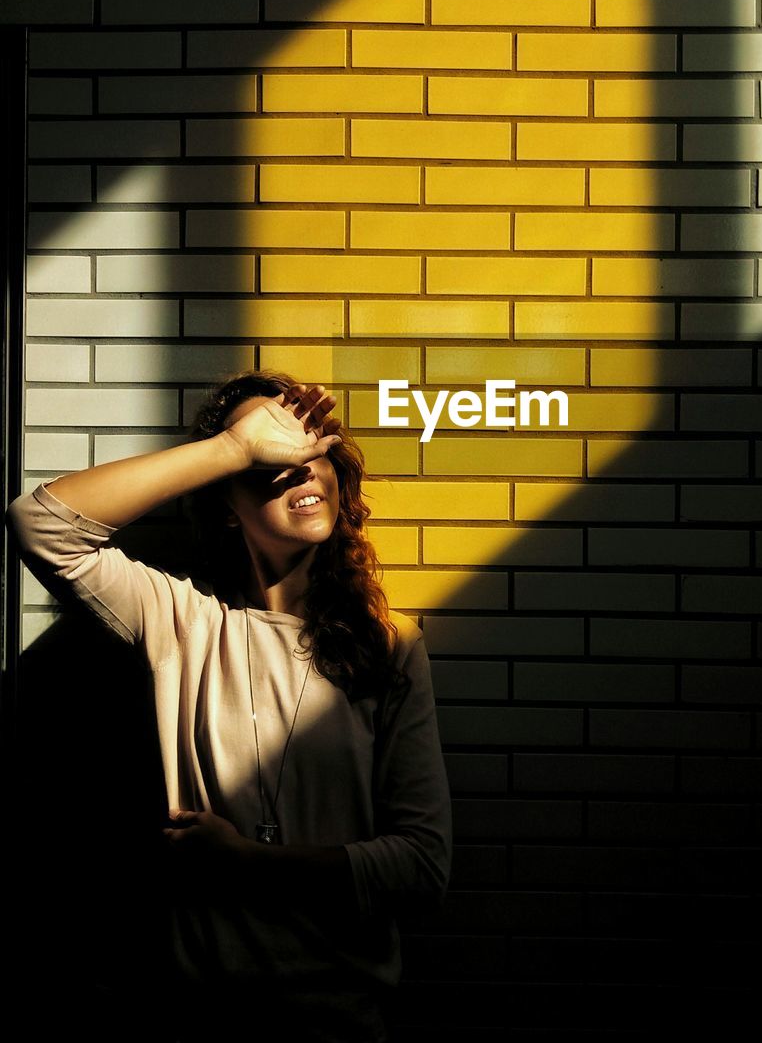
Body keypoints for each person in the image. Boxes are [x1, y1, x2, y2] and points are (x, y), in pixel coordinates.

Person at [4, 369, 453, 1042]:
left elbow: (421, 864)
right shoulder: (180, 617)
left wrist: (249, 863)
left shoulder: (387, 648)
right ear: (225, 503)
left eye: (312, 453)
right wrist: (234, 448)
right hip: (192, 1022)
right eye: (271, 461)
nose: (300, 473)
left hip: (336, 1024)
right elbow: (39, 523)